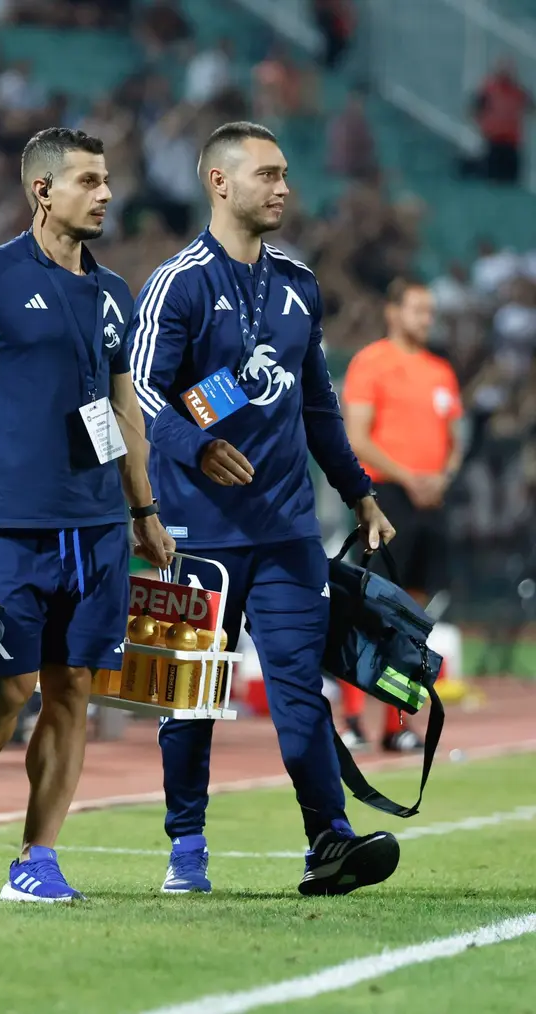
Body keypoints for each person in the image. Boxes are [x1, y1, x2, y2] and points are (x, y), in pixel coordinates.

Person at [0, 127, 174, 903]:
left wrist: (144, 507)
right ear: (42, 191)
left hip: (99, 525)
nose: (106, 194)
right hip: (11, 520)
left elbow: (125, 410)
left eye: (106, 180)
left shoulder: (115, 293)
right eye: (88, 181)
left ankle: (36, 858)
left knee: (73, 687)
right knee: (9, 688)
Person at [130, 120, 398, 897]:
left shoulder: (298, 284)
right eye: (268, 174)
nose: (284, 187)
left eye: (285, 174)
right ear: (220, 183)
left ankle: (329, 841)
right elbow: (139, 391)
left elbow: (318, 406)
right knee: (187, 698)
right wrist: (196, 447)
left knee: (300, 693)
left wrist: (358, 491)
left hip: (287, 533)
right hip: (191, 534)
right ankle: (186, 845)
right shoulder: (178, 282)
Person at [341, 278, 464, 749]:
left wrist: (442, 476)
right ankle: (354, 720)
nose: (426, 319)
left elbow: (455, 438)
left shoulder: (441, 371)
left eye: (430, 311)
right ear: (392, 312)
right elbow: (357, 437)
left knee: (412, 620)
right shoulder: (370, 363)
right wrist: (411, 477)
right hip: (386, 499)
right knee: (368, 608)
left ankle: (395, 725)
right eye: (417, 310)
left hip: (430, 503)